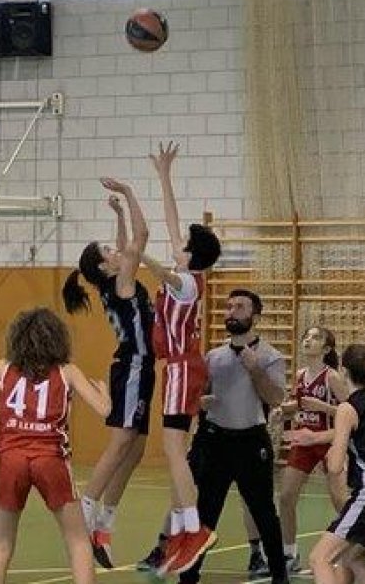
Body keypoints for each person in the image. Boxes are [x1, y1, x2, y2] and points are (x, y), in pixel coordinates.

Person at [0, 307, 112, 584]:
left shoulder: (4, 368)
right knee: (78, 541)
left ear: (16, 338)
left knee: (1, 545)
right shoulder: (67, 372)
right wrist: (106, 395)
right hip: (50, 458)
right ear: (58, 339)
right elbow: (104, 411)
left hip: (11, 459)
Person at [136, 141, 222, 574]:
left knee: (172, 449)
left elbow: (159, 270)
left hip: (181, 368)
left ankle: (194, 529)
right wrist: (164, 176)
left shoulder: (185, 282)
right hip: (184, 367)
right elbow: (172, 223)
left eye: (184, 244)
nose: (178, 244)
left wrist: (134, 252)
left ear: (191, 255)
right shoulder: (190, 273)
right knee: (177, 452)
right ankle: (178, 532)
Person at [61, 177, 154, 568]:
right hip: (132, 366)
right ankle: (84, 509)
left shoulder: (113, 281)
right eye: (110, 251)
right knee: (121, 443)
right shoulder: (122, 281)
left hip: (140, 368)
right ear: (105, 265)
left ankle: (104, 525)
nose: (118, 250)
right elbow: (141, 237)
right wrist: (129, 194)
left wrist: (117, 215)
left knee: (135, 450)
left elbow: (125, 245)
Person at [178, 289, 290, 584]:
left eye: (240, 307)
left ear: (255, 316)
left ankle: (280, 576)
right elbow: (197, 397)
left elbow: (275, 398)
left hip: (251, 442)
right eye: (229, 307)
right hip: (216, 442)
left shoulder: (270, 357)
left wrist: (255, 370)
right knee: (205, 513)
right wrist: (199, 402)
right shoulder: (214, 357)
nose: (232, 312)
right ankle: (188, 577)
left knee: (264, 513)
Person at [292, 344, 365, 584]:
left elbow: (335, 466)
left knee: (319, 559)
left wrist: (333, 450)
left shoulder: (348, 409)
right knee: (353, 559)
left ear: (344, 371)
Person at [276, 327, 351, 573]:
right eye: (306, 336)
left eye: (315, 337)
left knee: (340, 500)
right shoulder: (300, 375)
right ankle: (289, 553)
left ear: (326, 349)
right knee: (286, 496)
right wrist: (283, 411)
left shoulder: (332, 377)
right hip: (304, 440)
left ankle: (354, 552)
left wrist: (323, 407)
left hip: (329, 440)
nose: (308, 340)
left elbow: (351, 412)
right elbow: (297, 405)